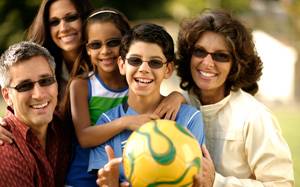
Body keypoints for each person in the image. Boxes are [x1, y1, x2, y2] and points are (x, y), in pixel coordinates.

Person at [62, 8, 186, 187]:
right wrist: (126, 122)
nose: (105, 51)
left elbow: (160, 100)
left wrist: (177, 96)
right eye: (95, 45)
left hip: (124, 174)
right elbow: (84, 137)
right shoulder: (82, 85)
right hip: (83, 178)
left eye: (113, 42)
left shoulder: (136, 80)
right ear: (87, 49)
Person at [176, 9, 294, 186]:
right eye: (199, 52)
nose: (207, 63)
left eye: (220, 56)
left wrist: (217, 182)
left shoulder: (254, 116)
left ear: (235, 65)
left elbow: (281, 184)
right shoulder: (176, 103)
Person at [87, 23, 207, 186]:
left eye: (155, 62)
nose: (143, 68)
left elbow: (195, 179)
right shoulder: (107, 123)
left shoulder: (189, 118)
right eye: (135, 60)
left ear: (168, 69)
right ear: (122, 65)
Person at [0, 41, 71, 187]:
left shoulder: (66, 125)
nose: (39, 95)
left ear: (56, 84)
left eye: (46, 81)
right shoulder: (4, 150)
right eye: (25, 86)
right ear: (7, 96)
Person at [26, 0, 93, 99]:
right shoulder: (38, 70)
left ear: (86, 18)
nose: (63, 28)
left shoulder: (109, 63)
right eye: (54, 22)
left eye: (71, 18)